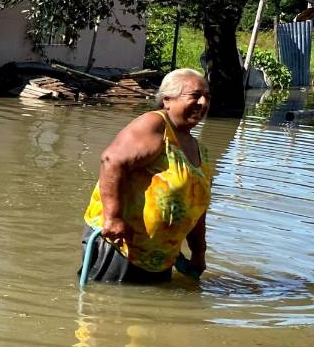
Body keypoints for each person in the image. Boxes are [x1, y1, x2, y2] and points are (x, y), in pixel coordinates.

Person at [80, 68, 214, 283]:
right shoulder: (155, 124)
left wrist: (199, 252)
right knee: (105, 309)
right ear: (167, 100)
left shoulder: (201, 151)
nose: (203, 103)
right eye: (195, 95)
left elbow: (198, 208)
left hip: (161, 257)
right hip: (120, 245)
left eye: (207, 97)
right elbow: (112, 161)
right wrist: (112, 218)